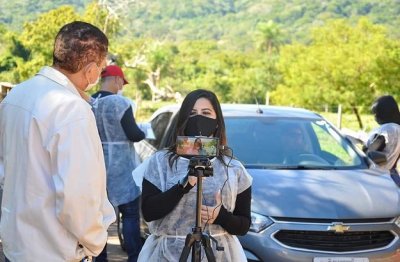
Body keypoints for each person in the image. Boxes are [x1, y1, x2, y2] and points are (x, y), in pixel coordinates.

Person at [0, 21, 116, 261]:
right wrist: (95, 242)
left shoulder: (15, 96)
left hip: (17, 246)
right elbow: (78, 196)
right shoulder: (72, 109)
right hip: (56, 250)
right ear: (92, 69)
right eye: (102, 68)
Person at [138, 89, 252, 261]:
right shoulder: (161, 162)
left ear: (217, 121)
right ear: (183, 119)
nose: (199, 119)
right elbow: (148, 211)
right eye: (192, 113)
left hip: (220, 255)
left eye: (206, 113)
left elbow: (243, 226)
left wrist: (221, 216)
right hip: (168, 255)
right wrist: (184, 185)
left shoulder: (233, 168)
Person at [92, 65, 145, 262]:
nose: (122, 86)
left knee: (99, 219)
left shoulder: (89, 102)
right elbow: (134, 134)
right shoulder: (120, 103)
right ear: (116, 79)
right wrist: (144, 131)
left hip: (96, 168)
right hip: (122, 168)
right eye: (122, 82)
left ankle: (100, 258)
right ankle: (134, 257)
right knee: (130, 215)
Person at [366, 95, 400, 172]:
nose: (375, 117)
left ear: (384, 113)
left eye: (376, 113)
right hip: (391, 173)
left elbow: (370, 152)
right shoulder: (397, 128)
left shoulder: (386, 129)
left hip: (376, 173)